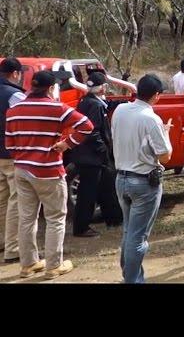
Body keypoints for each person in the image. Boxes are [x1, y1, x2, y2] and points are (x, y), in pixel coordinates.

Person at [6, 70, 94, 279]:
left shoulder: (14, 110)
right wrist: (66, 144)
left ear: (31, 86)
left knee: (27, 218)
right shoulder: (56, 108)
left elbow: (10, 144)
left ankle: (28, 264)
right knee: (55, 218)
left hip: (22, 169)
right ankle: (53, 265)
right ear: (51, 88)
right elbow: (86, 126)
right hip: (48, 170)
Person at [111, 74, 172, 283]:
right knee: (139, 237)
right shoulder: (151, 118)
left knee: (130, 231)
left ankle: (131, 275)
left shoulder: (120, 110)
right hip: (144, 181)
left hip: (121, 178)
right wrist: (166, 134)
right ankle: (132, 279)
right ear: (156, 95)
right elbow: (165, 155)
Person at [69, 72, 127, 237]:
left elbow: (106, 105)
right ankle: (81, 227)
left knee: (105, 187)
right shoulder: (95, 106)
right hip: (92, 157)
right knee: (87, 193)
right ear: (103, 87)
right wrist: (104, 150)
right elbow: (92, 131)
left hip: (87, 155)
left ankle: (113, 219)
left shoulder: (87, 102)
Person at [0, 57, 25, 264]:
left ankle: (2, 241)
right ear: (16, 74)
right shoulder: (15, 95)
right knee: (16, 200)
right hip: (11, 155)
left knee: (1, 200)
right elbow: (27, 120)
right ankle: (13, 247)